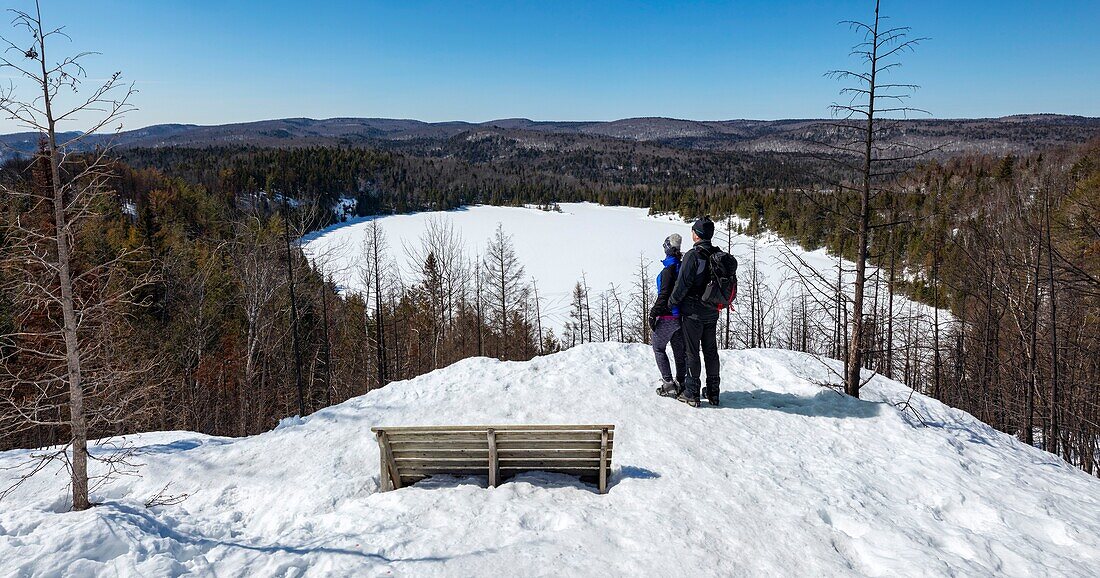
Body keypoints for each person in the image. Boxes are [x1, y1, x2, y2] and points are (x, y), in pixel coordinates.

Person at [669, 217, 721, 407]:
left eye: (693, 230)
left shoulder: (693, 255)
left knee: (692, 352)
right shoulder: (717, 254)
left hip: (692, 313)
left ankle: (692, 393)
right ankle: (714, 392)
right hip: (712, 311)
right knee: (711, 351)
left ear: (697, 234)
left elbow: (682, 285)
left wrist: (671, 302)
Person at [650, 234, 686, 397]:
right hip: (681, 317)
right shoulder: (683, 267)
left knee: (658, 348)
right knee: (679, 351)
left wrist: (653, 313)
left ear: (668, 249)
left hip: (668, 316)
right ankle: (682, 382)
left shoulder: (668, 271)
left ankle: (668, 383)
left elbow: (663, 295)